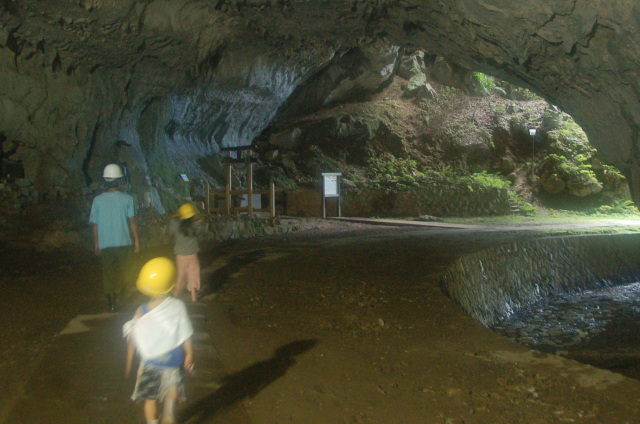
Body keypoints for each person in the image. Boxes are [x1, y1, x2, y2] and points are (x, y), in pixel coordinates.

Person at [123, 257, 194, 424]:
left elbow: (133, 336)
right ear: (171, 283)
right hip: (172, 363)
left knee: (150, 399)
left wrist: (128, 362)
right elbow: (185, 333)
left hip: (150, 365)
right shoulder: (178, 307)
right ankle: (168, 415)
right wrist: (190, 353)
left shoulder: (142, 311)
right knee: (170, 400)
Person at [89, 163, 140, 312]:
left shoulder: (97, 201)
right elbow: (132, 221)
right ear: (118, 181)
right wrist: (136, 240)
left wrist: (96, 244)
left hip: (106, 244)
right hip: (124, 242)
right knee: (128, 270)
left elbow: (95, 224)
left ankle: (111, 303)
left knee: (108, 274)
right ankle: (124, 293)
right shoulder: (127, 199)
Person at [168, 203, 205, 302]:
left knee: (181, 275)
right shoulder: (195, 225)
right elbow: (202, 220)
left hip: (181, 255)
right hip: (192, 254)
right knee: (193, 274)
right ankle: (193, 296)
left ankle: (176, 295)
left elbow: (171, 221)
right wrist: (196, 214)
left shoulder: (176, 225)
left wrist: (176, 214)